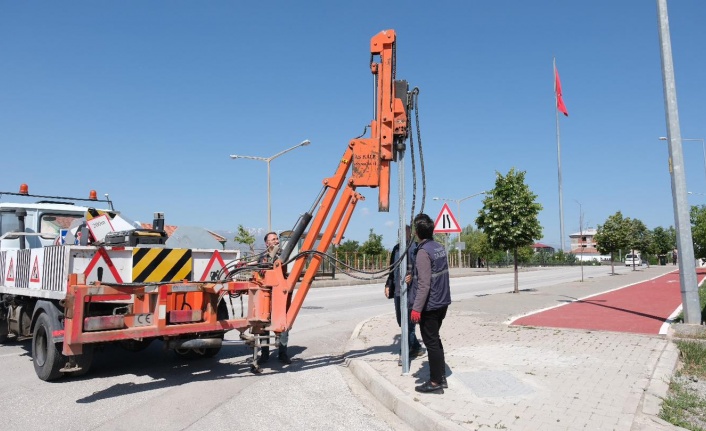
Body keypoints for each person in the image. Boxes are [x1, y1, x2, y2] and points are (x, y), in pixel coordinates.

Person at [410, 213, 451, 394]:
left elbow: (425, 284)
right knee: (436, 339)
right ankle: (440, 375)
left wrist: (417, 308)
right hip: (442, 302)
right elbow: (432, 274)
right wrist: (414, 277)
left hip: (430, 305)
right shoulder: (438, 247)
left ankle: (435, 383)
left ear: (417, 231)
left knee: (431, 342)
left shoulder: (422, 252)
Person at [384, 226, 424, 366]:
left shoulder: (415, 248)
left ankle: (404, 353)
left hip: (410, 291)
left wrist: (412, 276)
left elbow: (421, 268)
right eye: (399, 232)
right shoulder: (396, 249)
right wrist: (388, 285)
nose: (401, 234)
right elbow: (392, 268)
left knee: (408, 324)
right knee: (401, 322)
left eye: (404, 232)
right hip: (397, 292)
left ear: (409, 233)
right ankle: (417, 348)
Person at [257, 232, 292, 365]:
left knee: (283, 323)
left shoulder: (283, 255)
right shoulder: (263, 257)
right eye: (273, 239)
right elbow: (260, 272)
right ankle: (264, 354)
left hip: (280, 294)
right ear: (267, 243)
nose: (276, 241)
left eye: (277, 239)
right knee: (263, 323)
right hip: (266, 294)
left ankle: (283, 353)